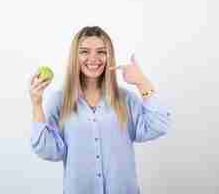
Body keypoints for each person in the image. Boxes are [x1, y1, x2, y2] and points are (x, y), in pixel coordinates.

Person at [29, 26, 172, 194]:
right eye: (84, 51)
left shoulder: (125, 99)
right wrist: (37, 103)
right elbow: (48, 150)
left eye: (101, 52)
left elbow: (159, 126)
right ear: (75, 56)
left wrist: (142, 82)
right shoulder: (60, 101)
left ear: (108, 56)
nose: (93, 58)